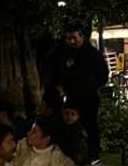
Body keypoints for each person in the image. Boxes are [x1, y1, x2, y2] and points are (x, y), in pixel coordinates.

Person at [43, 22, 109, 158]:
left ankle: (92, 156)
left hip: (88, 97)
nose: (72, 41)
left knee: (90, 126)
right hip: (71, 97)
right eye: (69, 38)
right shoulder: (63, 54)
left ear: (81, 37)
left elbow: (103, 74)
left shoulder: (93, 54)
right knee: (67, 126)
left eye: (74, 38)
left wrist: (90, 86)